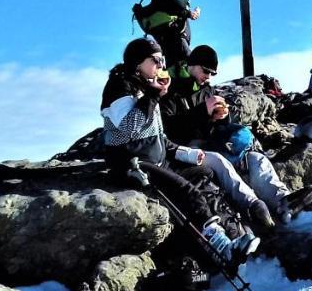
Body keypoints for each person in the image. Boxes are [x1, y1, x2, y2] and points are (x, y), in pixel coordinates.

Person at [100, 38, 256, 265]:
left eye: (162, 60)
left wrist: (185, 153)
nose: (161, 66)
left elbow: (157, 134)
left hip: (156, 159)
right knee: (188, 191)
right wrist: (154, 96)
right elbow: (129, 129)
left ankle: (235, 235)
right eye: (156, 60)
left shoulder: (144, 86)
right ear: (137, 62)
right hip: (133, 164)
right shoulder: (120, 87)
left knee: (204, 175)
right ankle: (223, 248)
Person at [161, 44, 228, 145]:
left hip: (207, 144)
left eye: (212, 73)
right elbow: (168, 127)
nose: (208, 77)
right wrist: (204, 110)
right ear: (192, 64)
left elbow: (219, 127)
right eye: (206, 71)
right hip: (182, 148)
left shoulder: (208, 90)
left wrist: (221, 117)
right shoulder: (169, 87)